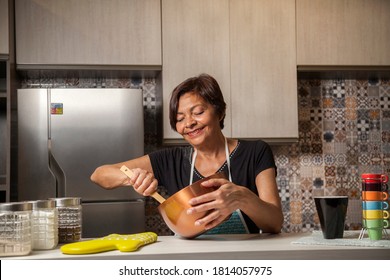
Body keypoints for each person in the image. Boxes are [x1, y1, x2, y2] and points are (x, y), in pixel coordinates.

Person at [90, 73, 283, 234]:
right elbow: (99, 175)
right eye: (180, 118)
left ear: (220, 112)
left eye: (198, 112)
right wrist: (132, 178)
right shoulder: (171, 160)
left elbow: (274, 223)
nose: (188, 123)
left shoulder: (256, 152)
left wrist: (243, 198)